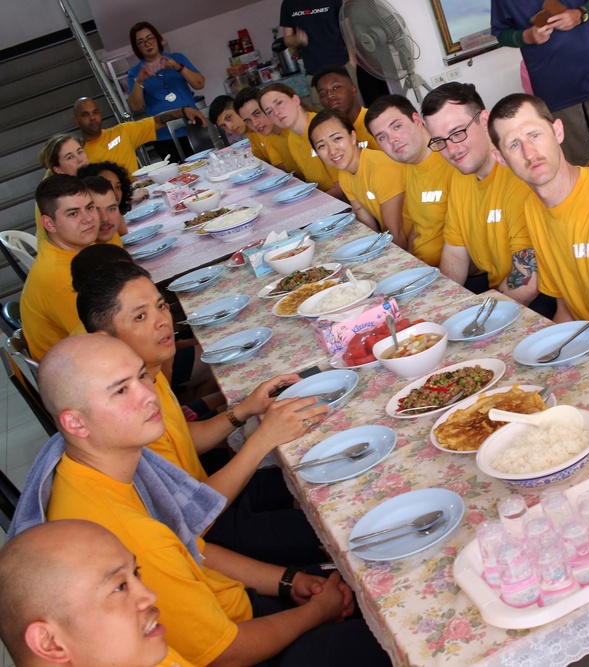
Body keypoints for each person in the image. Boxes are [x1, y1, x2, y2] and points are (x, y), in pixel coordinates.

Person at [12, 334, 390, 667]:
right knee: (383, 606)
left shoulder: (90, 468)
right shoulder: (124, 534)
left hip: (235, 602)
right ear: (75, 423)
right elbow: (227, 653)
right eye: (121, 390)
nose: (147, 394)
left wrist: (287, 580)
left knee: (356, 560)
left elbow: (190, 546)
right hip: (245, 643)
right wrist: (315, 613)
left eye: (142, 376)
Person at [76, 261, 329, 566]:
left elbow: (185, 440)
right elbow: (193, 515)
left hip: (207, 489)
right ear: (106, 337)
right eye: (140, 316)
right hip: (207, 531)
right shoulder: (128, 413)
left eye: (161, 306)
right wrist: (263, 438)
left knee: (318, 473)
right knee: (330, 528)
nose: (162, 322)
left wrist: (245, 409)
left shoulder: (147, 372)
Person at [488, 93, 589, 350]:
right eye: (514, 144)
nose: (529, 152)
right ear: (500, 158)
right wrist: (554, 355)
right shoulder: (533, 207)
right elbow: (566, 309)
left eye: (534, 135)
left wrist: (583, 368)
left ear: (557, 131)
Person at [0, 520, 195, 667]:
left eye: (136, 572)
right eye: (120, 587)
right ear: (51, 642)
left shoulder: (136, 656)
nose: (150, 596)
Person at [421, 83, 543, 310]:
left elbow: (528, 283)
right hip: (495, 293)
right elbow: (455, 254)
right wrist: (445, 305)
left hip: (537, 302)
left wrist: (477, 314)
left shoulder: (519, 173)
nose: (451, 149)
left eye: (457, 133)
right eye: (439, 141)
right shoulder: (460, 176)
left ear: (484, 120)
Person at [492, 0, 589, 166]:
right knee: (576, 161)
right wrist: (527, 36)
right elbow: (501, 33)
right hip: (552, 82)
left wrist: (581, 14)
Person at [366, 94, 454, 266]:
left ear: (417, 120)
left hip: (448, 272)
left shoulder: (451, 162)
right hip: (420, 264)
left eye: (397, 126)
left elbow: (470, 244)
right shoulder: (408, 165)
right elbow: (418, 227)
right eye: (382, 137)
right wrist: (407, 262)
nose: (392, 140)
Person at [21, 175, 98, 361]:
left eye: (89, 207)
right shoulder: (60, 276)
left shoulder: (81, 246)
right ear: (49, 224)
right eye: (73, 213)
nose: (88, 219)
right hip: (83, 374)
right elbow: (98, 340)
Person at [308, 109, 407, 247]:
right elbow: (367, 222)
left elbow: (397, 232)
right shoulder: (344, 174)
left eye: (337, 138)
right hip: (390, 240)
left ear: (353, 137)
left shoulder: (380, 168)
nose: (332, 150)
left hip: (412, 244)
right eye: (322, 146)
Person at [280, 0, 389, 105]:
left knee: (355, 114)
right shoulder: (288, 3)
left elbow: (347, 28)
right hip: (314, 73)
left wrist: (352, 62)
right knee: (327, 120)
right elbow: (287, 38)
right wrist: (296, 40)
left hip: (341, 67)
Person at [126, 22, 206, 161]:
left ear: (157, 39)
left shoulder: (177, 58)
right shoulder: (134, 72)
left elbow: (199, 84)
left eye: (150, 38)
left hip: (192, 125)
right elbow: (135, 106)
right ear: (137, 47)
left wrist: (178, 67)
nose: (147, 44)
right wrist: (140, 81)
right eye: (141, 42)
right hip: (164, 135)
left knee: (208, 165)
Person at [73, 96, 206, 176]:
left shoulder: (122, 132)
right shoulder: (78, 154)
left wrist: (183, 111)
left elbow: (157, 121)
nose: (92, 118)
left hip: (141, 191)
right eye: (85, 115)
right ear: (76, 120)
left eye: (95, 112)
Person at [259, 83, 345, 200]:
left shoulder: (323, 128)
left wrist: (311, 203)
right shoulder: (291, 138)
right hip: (321, 197)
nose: (276, 112)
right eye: (269, 111)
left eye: (279, 103)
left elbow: (343, 187)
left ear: (295, 100)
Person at [34, 135, 91, 241]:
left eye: (80, 152)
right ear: (58, 169)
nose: (80, 159)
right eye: (70, 157)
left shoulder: (75, 180)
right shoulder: (61, 193)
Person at [312, 64, 380, 150]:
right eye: (323, 94)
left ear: (353, 89)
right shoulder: (330, 135)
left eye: (335, 87)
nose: (329, 96)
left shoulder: (376, 123)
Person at [234, 86, 295, 172]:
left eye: (257, 113)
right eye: (248, 120)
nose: (255, 124)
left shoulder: (294, 130)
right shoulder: (272, 135)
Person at [81, 176, 126, 245]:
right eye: (96, 210)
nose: (105, 218)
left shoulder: (111, 232)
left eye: (111, 209)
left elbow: (123, 230)